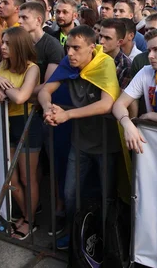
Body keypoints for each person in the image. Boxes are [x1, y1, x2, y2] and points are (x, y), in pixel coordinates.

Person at [38, 25, 121, 249]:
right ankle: (75, 233)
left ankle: (105, 240)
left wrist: (68, 114)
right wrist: (48, 108)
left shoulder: (105, 63)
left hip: (106, 144)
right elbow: (45, 90)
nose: (70, 53)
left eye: (76, 48)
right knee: (70, 193)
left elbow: (106, 104)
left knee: (107, 195)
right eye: (68, 48)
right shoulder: (68, 62)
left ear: (92, 49)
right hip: (80, 141)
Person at [0, 27, 41, 240]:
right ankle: (24, 214)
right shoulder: (2, 65)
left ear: (19, 47)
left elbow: (21, 97)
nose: (2, 47)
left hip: (26, 124)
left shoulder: (32, 69)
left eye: (7, 43)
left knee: (26, 176)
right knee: (11, 179)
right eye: (2, 42)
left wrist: (3, 85)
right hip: (4, 123)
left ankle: (30, 221)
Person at [99, 18, 132, 89]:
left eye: (107, 38)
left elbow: (121, 97)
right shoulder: (92, 56)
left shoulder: (126, 66)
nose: (101, 41)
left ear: (119, 42)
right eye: (100, 36)